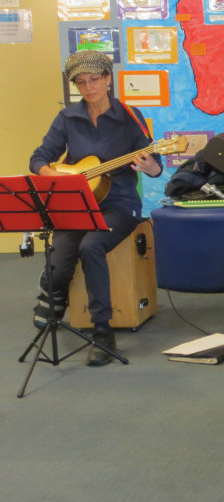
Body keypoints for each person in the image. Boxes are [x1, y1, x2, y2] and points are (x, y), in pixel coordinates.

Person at [29, 51, 163, 366]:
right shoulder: (67, 117)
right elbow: (39, 157)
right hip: (77, 202)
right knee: (59, 261)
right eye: (81, 82)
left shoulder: (129, 116)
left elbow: (156, 166)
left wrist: (149, 167)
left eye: (94, 80)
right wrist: (54, 175)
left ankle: (102, 332)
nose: (88, 87)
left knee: (91, 246)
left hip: (119, 203)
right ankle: (54, 290)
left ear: (107, 79)